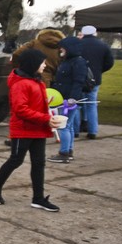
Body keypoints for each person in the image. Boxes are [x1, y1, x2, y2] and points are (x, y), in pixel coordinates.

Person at [0, 49, 60, 211]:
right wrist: (47, 119)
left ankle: (38, 198)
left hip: (38, 129)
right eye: (42, 62)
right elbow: (20, 110)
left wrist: (46, 104)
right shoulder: (20, 84)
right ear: (33, 64)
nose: (45, 65)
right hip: (23, 130)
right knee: (16, 160)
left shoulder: (37, 81)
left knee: (39, 163)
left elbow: (33, 103)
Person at [48, 36, 87, 164]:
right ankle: (68, 151)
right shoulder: (66, 61)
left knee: (63, 126)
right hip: (62, 98)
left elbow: (78, 82)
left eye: (62, 47)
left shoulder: (78, 62)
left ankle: (64, 153)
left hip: (68, 100)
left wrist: (73, 98)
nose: (60, 49)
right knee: (68, 126)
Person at [77, 25, 114, 137]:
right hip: (94, 79)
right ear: (95, 33)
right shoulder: (103, 45)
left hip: (78, 77)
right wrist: (99, 71)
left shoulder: (77, 44)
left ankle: (75, 130)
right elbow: (109, 62)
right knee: (92, 104)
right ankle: (92, 131)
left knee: (77, 104)